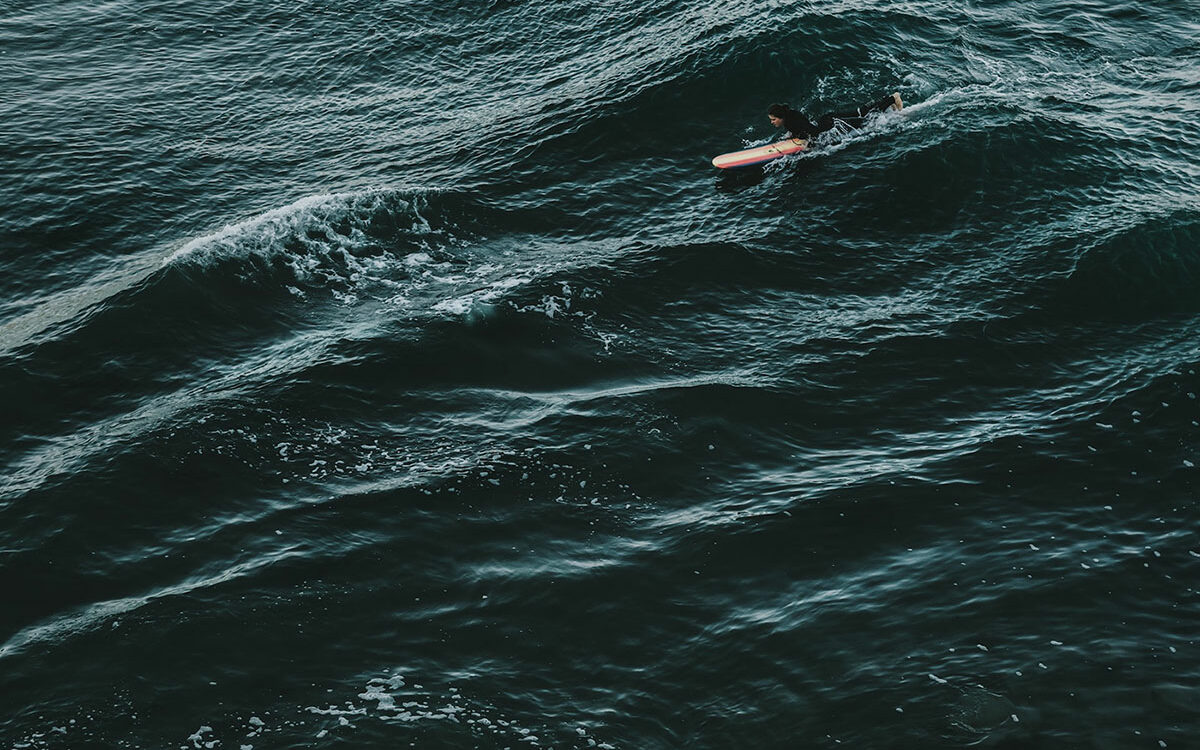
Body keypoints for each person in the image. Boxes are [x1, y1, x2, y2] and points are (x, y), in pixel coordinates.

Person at [768, 92, 902, 141]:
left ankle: (892, 98)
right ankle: (889, 99)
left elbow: (813, 132)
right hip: (828, 119)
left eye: (773, 119)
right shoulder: (789, 118)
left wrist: (804, 141)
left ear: (781, 117)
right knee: (860, 112)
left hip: (834, 123)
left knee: (866, 120)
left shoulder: (791, 122)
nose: (772, 122)